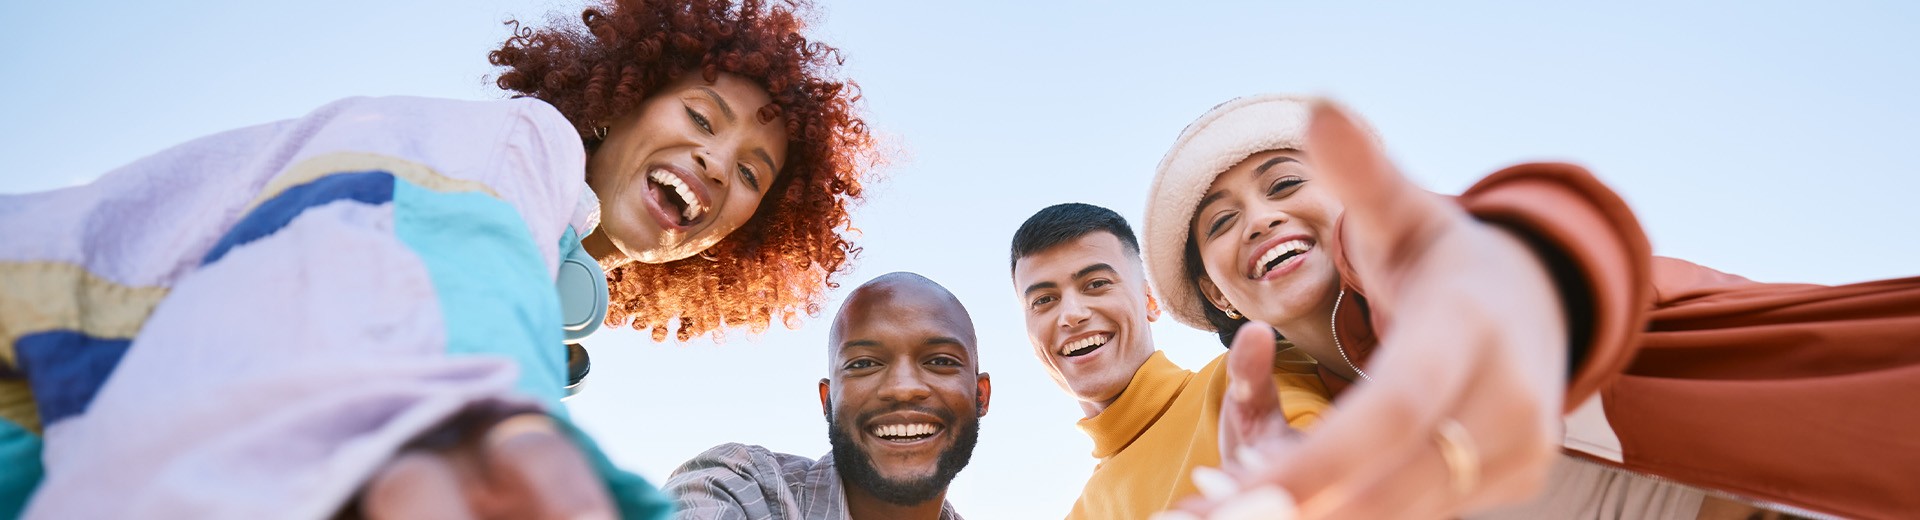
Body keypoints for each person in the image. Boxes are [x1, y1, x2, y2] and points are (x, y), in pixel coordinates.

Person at [0, 0, 876, 517]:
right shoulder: (514, 149)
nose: (719, 163)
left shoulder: (544, 276)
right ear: (622, 100)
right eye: (699, 118)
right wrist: (485, 420)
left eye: (752, 173)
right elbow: (431, 268)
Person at [1141, 95, 1920, 519]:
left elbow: (1524, 246)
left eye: (1283, 185)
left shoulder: (1413, 265)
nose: (1262, 220)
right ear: (1215, 290)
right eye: (1222, 222)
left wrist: (1523, 265)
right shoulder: (1315, 425)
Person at [1007, 203, 1330, 520]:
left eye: (1096, 284)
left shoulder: (1251, 380)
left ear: (1150, 301)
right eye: (1044, 300)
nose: (1072, 314)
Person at [663, 272, 987, 520]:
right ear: (828, 401)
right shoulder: (739, 487)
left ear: (981, 396)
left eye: (941, 361)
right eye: (864, 364)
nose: (902, 388)